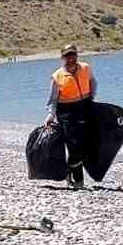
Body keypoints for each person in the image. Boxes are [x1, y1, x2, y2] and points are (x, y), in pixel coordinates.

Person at [44, 44, 97, 190]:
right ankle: (79, 181)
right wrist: (50, 115)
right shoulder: (57, 76)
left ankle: (68, 170)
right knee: (74, 147)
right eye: (67, 55)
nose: (71, 58)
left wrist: (92, 96)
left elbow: (93, 81)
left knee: (85, 144)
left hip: (85, 107)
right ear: (62, 58)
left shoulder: (86, 68)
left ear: (77, 55)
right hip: (66, 112)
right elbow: (53, 99)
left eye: (73, 54)